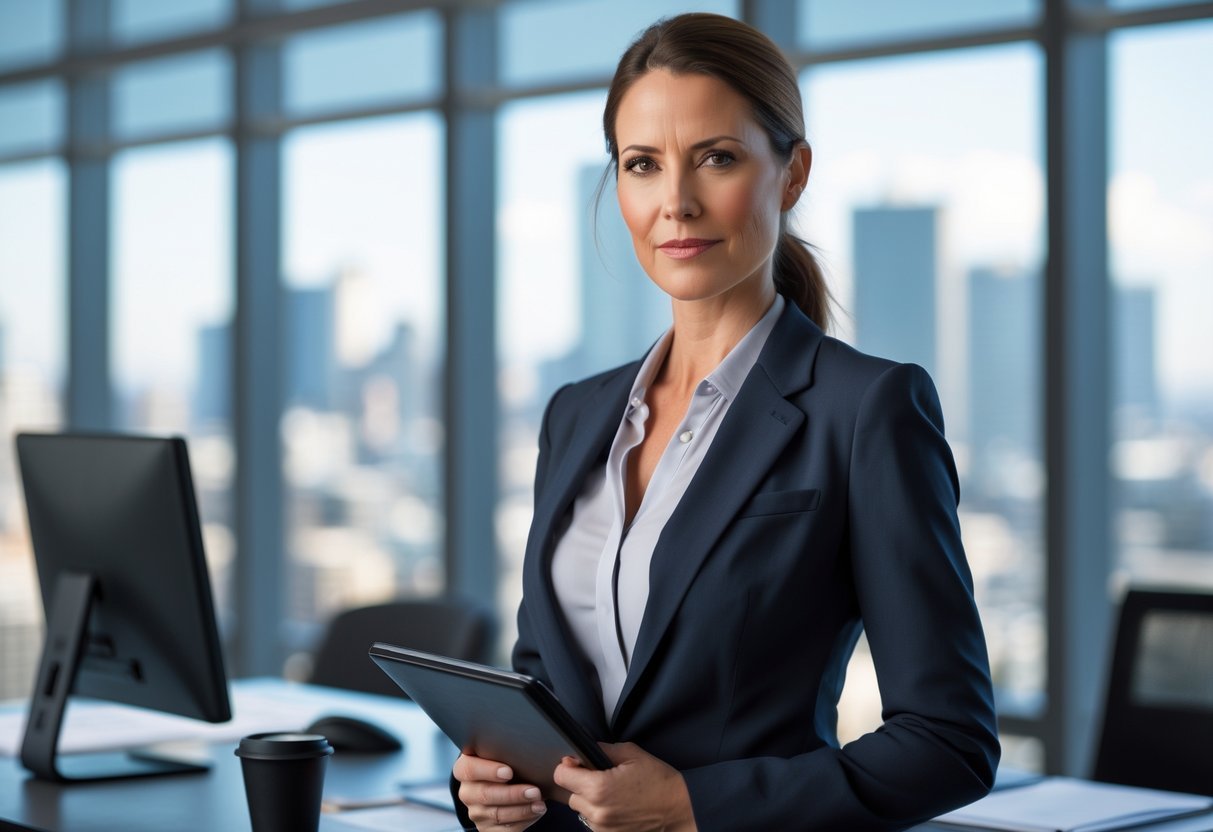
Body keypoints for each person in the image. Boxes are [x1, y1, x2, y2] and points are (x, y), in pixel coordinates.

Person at [453, 12, 999, 832]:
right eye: (642, 165)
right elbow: (545, 686)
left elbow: (948, 741)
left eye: (716, 158)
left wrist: (690, 807)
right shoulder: (577, 415)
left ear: (790, 173)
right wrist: (495, 784)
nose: (675, 201)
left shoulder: (865, 411)